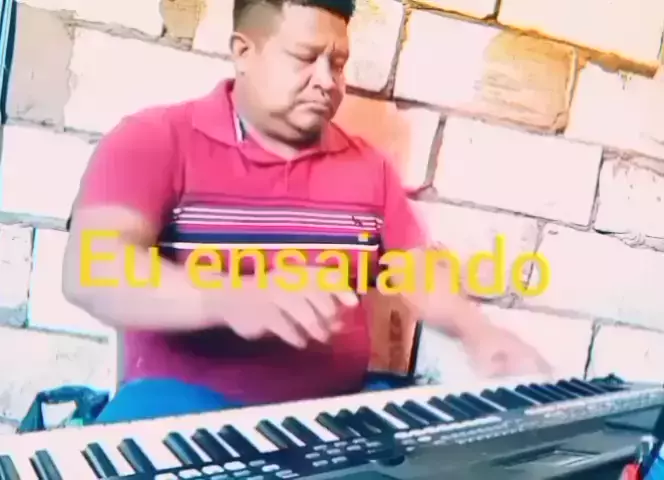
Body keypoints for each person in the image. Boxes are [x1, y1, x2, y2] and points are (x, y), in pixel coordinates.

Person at [62, 0, 551, 424]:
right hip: (182, 418)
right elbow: (92, 270)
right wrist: (229, 296)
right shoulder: (155, 139)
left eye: (337, 64)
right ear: (244, 52)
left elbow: (416, 270)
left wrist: (477, 332)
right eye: (304, 57)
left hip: (327, 420)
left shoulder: (369, 167)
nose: (327, 81)